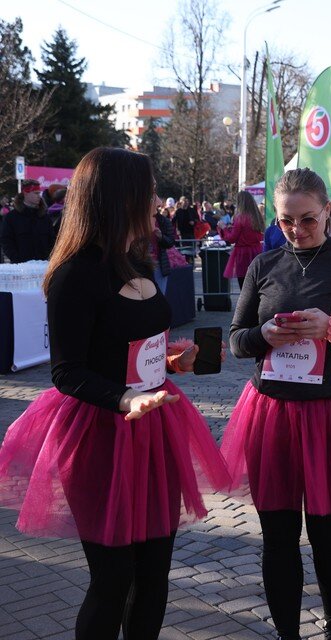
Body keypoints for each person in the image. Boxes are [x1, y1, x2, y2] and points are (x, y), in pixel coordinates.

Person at [0, 147, 230, 639]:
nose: (153, 204)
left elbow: (132, 346)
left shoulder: (139, 264)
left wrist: (173, 360)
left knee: (153, 577)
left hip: (156, 431)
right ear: (119, 198)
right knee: (112, 578)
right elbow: (68, 372)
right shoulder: (75, 274)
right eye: (146, 194)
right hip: (99, 436)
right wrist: (126, 399)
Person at [220, 167, 331, 640]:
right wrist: (263, 334)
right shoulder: (264, 266)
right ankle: (286, 632)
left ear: (326, 211)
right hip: (271, 414)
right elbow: (237, 341)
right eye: (286, 221)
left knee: (327, 533)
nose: (297, 230)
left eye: (307, 219)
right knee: (277, 535)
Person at [221, 190, 265, 291]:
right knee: (257, 284)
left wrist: (223, 228)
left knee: (244, 286)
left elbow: (232, 238)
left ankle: (247, 306)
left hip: (242, 254)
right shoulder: (257, 217)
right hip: (256, 251)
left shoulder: (240, 218)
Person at [0, 180, 54, 263]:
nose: (39, 196)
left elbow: (52, 240)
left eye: (39, 193)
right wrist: (17, 259)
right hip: (20, 268)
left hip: (43, 266)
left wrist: (48, 258)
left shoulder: (45, 217)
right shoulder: (11, 217)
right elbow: (6, 241)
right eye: (35, 193)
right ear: (25, 193)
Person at [151, 206, 177, 294]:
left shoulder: (163, 221)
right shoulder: (138, 220)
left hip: (159, 264)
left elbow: (171, 242)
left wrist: (161, 237)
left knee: (160, 294)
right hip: (141, 264)